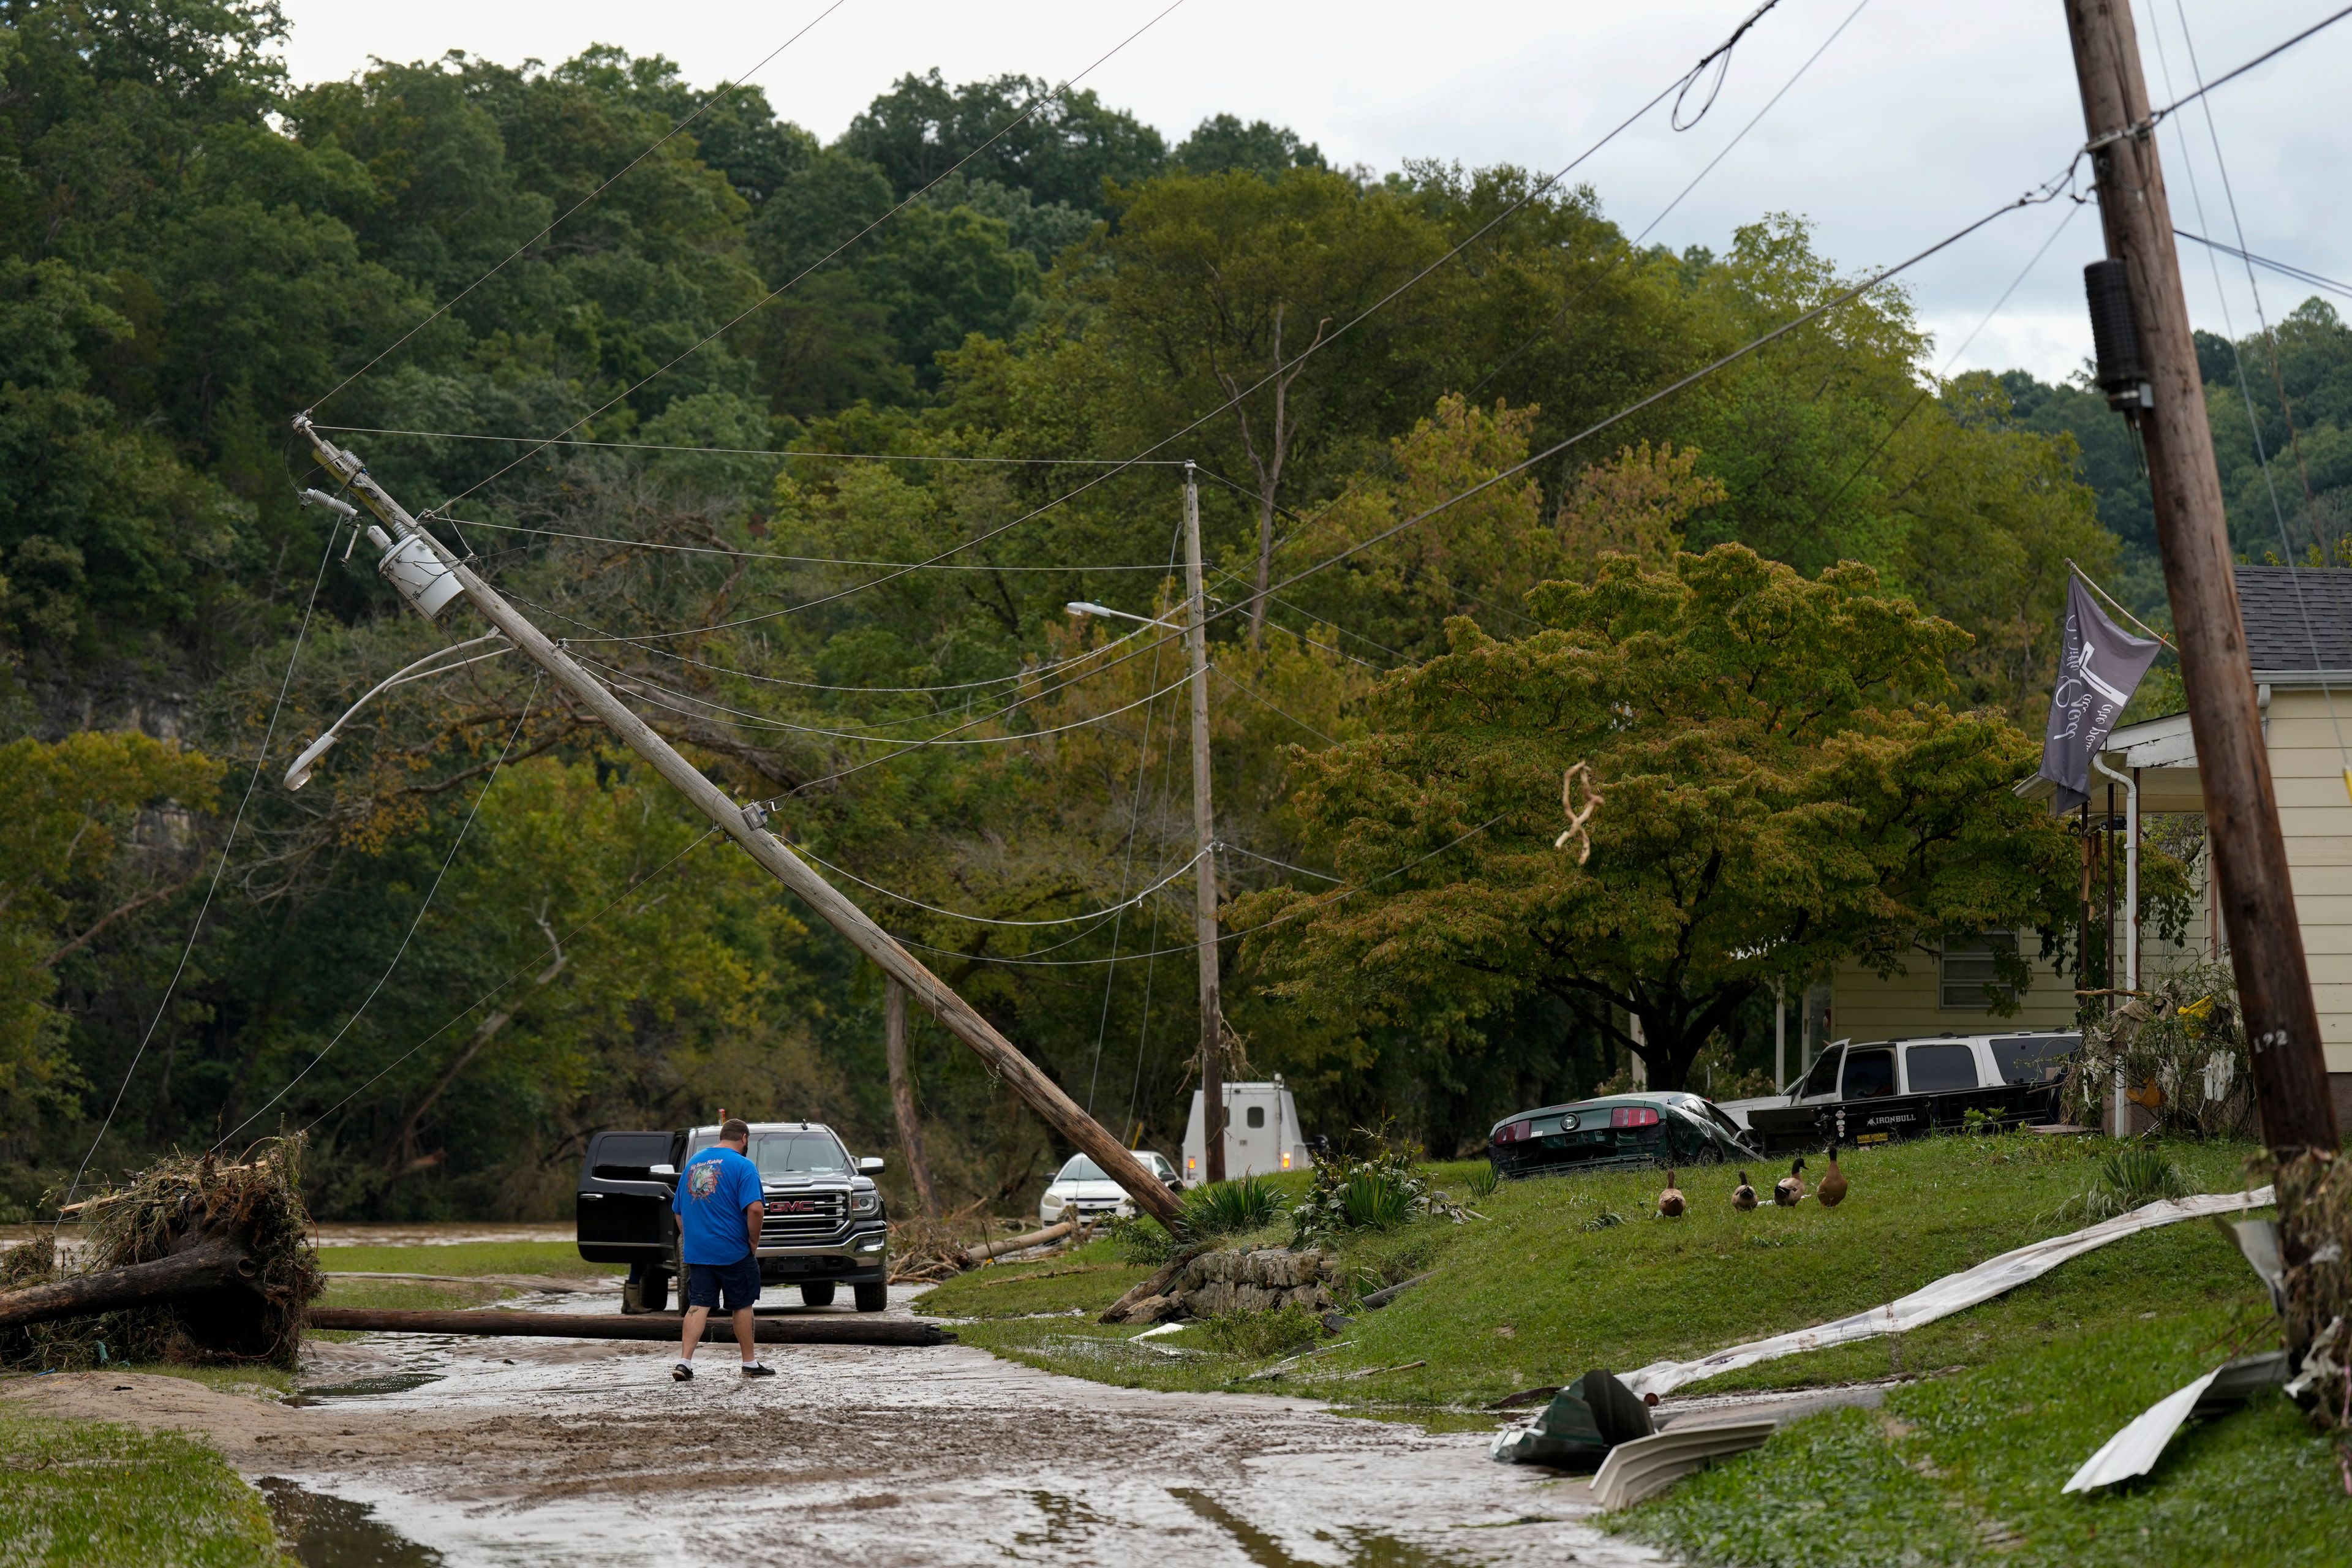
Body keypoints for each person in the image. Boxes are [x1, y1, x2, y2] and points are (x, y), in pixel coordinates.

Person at [671, 1116, 773, 1381]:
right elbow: (756, 1209)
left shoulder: (693, 1164)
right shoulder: (744, 1165)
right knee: (742, 1305)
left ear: (721, 1136)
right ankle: (749, 1364)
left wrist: (693, 1239)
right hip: (734, 1251)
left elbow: (679, 1212)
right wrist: (753, 1241)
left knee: (698, 1305)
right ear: (744, 1139)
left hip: (699, 1252)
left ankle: (684, 1363)